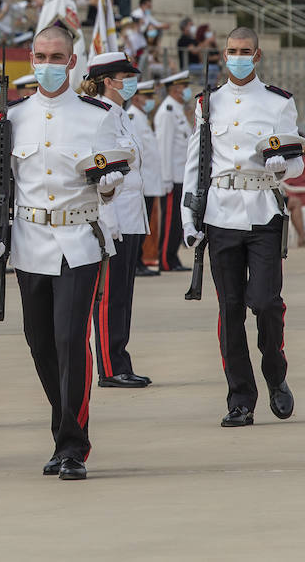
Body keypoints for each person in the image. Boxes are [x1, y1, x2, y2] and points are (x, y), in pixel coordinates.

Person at [0, 24, 125, 480]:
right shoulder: (13, 116)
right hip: (28, 243)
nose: (46, 65)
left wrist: (108, 185)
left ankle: (72, 446)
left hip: (77, 241)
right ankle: (63, 422)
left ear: (71, 60)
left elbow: (115, 168)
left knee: (69, 340)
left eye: (55, 56)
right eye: (39, 57)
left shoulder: (96, 114)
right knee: (39, 342)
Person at [181, 27, 302, 428]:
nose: (237, 57)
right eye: (231, 51)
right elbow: (195, 164)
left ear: (257, 55)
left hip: (263, 210)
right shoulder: (208, 103)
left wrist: (282, 166)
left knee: (265, 303)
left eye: (244, 51)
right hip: (219, 214)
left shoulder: (278, 102)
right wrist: (189, 219)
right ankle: (240, 399)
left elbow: (296, 160)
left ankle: (275, 373)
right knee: (230, 309)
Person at [82, 53, 152, 388]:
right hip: (113, 219)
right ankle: (110, 367)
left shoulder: (121, 115)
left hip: (131, 217)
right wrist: (106, 221)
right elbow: (100, 174)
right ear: (109, 80)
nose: (132, 82)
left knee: (123, 294)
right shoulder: (98, 117)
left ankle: (120, 360)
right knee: (110, 295)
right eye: (127, 76)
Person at [154, 71, 192, 271]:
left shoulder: (177, 109)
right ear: (176, 89)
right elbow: (164, 147)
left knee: (178, 220)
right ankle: (166, 260)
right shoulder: (167, 111)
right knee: (170, 221)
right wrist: (166, 177)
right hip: (173, 176)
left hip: (181, 176)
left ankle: (173, 257)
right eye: (184, 87)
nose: (186, 91)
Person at [127, 79, 164, 276]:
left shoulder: (141, 117)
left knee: (145, 223)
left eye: (152, 95)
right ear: (136, 97)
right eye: (147, 96)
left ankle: (139, 261)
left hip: (150, 181)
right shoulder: (133, 117)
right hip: (142, 183)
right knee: (140, 224)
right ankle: (137, 262)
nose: (151, 100)